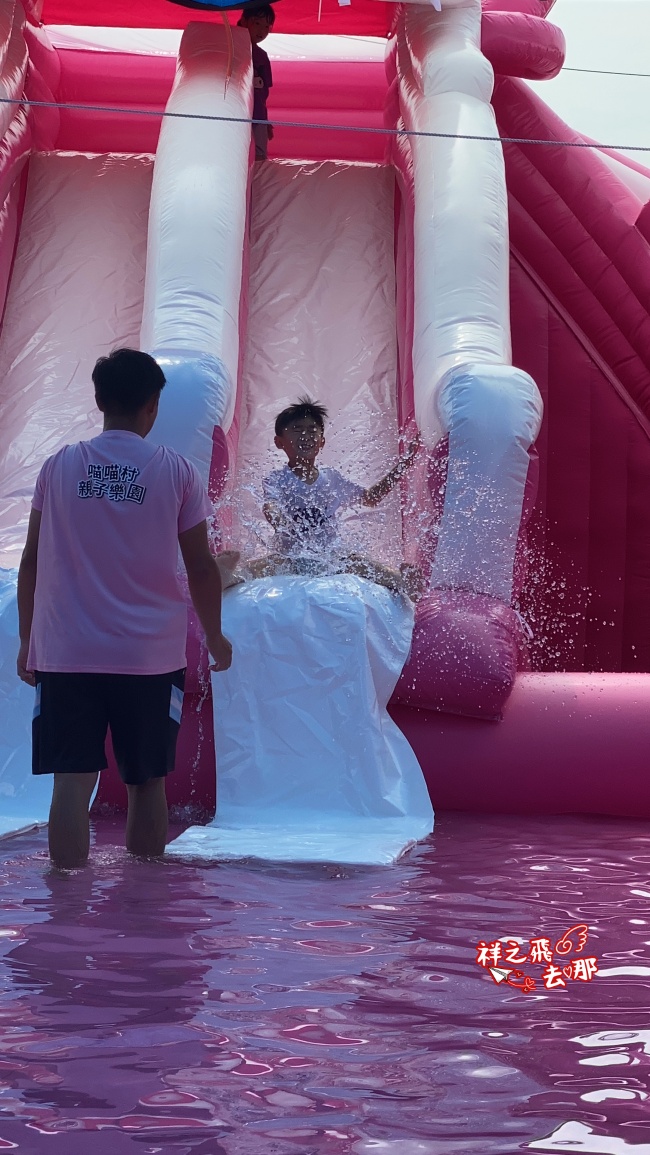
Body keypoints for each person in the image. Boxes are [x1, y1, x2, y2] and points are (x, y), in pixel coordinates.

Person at [16, 348, 233, 870]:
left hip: (66, 653)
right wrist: (215, 636)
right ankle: (143, 905)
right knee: (146, 783)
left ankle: (65, 900)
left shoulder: (58, 467)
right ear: (153, 406)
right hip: (149, 658)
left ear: (98, 401)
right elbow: (202, 566)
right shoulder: (176, 471)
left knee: (72, 783)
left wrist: (29, 642)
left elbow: (31, 561)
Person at [234, 396, 422, 597]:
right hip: (291, 556)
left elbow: (371, 498)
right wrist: (279, 521)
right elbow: (271, 505)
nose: (305, 435)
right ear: (279, 442)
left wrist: (403, 466)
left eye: (312, 430)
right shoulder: (277, 479)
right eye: (297, 430)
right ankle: (227, 576)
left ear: (321, 441)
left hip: (330, 556)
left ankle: (404, 582)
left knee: (359, 562)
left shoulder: (332, 478)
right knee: (262, 566)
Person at [238, 3, 275, 160]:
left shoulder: (262, 56)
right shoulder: (231, 48)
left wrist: (265, 121)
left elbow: (263, 95)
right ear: (244, 21)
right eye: (257, 23)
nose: (262, 30)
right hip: (236, 115)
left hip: (257, 116)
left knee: (260, 155)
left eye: (267, 26)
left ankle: (257, 183)